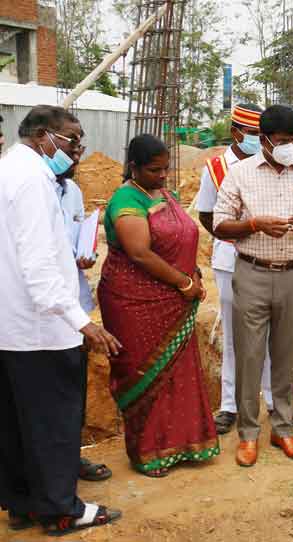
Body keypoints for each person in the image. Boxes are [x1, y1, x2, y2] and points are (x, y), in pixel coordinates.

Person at [0, 105, 121, 536]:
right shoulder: (32, 180)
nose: (78, 148)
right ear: (42, 136)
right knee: (53, 423)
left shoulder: (10, 170)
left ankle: (22, 504)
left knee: (17, 424)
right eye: (72, 138)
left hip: (11, 326)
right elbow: (39, 265)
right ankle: (59, 509)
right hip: (42, 329)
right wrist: (81, 321)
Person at [214, 105, 293, 466]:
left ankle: (283, 428)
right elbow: (219, 225)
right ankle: (248, 434)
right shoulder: (240, 174)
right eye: (282, 141)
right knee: (249, 355)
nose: (289, 147)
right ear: (263, 140)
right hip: (252, 272)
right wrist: (254, 225)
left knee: (285, 355)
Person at [98, 134, 219, 478]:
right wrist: (184, 283)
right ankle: (148, 452)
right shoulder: (126, 201)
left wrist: (191, 276)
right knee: (145, 374)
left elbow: (182, 236)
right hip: (135, 303)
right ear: (133, 167)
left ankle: (184, 444)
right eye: (155, 170)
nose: (163, 175)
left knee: (177, 373)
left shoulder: (164, 194)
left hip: (174, 299)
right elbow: (139, 252)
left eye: (166, 169)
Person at [196, 103, 275, 435]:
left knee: (271, 332)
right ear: (237, 133)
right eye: (256, 135)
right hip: (230, 260)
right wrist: (232, 234)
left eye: (263, 135)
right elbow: (205, 214)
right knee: (232, 333)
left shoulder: (268, 163)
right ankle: (229, 405)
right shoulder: (215, 168)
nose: (261, 141)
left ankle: (272, 400)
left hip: (268, 258)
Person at [55, 140, 113, 483]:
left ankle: (70, 458)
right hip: (33, 310)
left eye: (80, 151)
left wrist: (85, 254)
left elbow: (77, 238)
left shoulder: (73, 190)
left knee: (73, 385)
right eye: (72, 150)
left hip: (71, 304)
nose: (77, 158)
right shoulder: (23, 187)